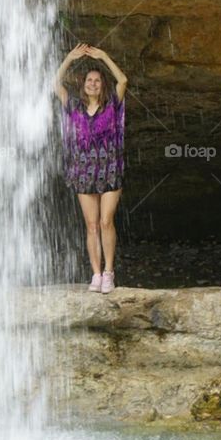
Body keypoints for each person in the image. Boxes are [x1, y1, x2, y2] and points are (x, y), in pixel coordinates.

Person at [54, 42, 128, 294]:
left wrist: (104, 56)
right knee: (92, 225)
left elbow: (123, 80)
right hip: (82, 172)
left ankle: (109, 272)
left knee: (107, 221)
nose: (93, 83)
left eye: (97, 80)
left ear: (102, 85)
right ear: (83, 84)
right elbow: (55, 84)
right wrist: (69, 58)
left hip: (109, 170)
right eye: (89, 80)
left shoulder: (112, 105)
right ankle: (95, 274)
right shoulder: (73, 106)